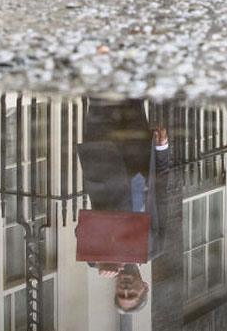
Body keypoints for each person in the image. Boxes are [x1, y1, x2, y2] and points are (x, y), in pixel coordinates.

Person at [77, 99, 171, 314]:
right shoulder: (155, 248)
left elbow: (82, 227)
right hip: (138, 153)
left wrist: (104, 257)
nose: (126, 290)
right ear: (144, 287)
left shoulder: (95, 261)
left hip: (103, 154)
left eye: (121, 295)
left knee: (100, 95)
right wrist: (161, 149)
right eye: (132, 294)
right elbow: (161, 194)